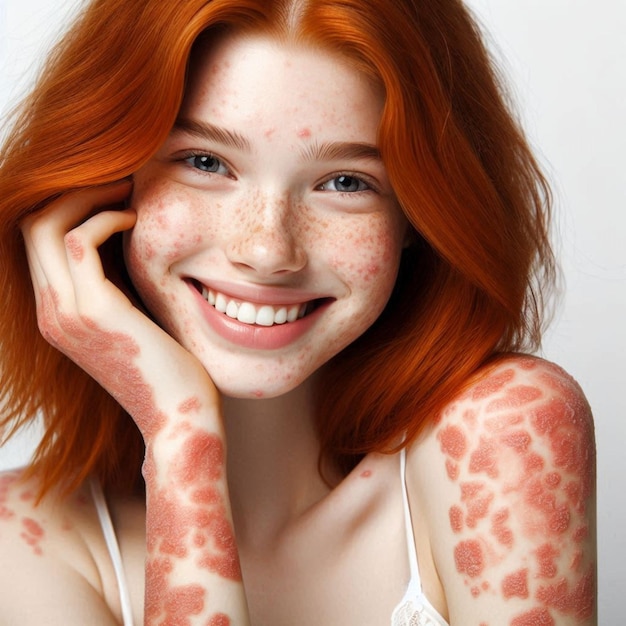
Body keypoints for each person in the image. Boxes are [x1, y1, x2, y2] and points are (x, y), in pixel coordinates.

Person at [0, 0, 596, 624]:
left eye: (345, 182)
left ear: (420, 215)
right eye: (205, 162)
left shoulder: (502, 433)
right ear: (98, 185)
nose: (266, 250)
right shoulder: (21, 544)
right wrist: (180, 434)